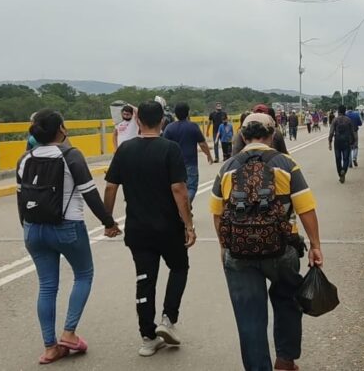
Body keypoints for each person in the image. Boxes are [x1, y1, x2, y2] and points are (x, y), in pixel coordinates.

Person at [210, 113, 323, 371]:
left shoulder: (227, 168)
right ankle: (284, 360)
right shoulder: (286, 164)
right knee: (288, 302)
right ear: (272, 135)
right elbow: (306, 208)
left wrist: (223, 246)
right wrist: (315, 245)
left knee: (249, 318)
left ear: (242, 136)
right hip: (282, 248)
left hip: (238, 254)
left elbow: (217, 214)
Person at [16, 109, 118, 364]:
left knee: (47, 286)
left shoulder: (24, 158)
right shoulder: (70, 156)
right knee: (84, 274)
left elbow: (20, 199)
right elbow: (89, 193)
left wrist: (27, 229)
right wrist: (109, 223)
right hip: (67, 227)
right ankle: (69, 333)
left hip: (33, 229)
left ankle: (50, 347)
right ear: (61, 128)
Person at [104, 101, 197, 357]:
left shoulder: (124, 150)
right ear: (162, 122)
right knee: (179, 267)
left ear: (138, 121)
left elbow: (111, 187)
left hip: (138, 229)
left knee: (145, 279)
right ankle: (168, 319)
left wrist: (108, 222)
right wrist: (188, 225)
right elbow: (179, 190)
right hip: (168, 228)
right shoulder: (170, 149)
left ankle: (147, 337)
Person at [163, 102, 213, 203]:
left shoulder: (169, 128)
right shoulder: (193, 126)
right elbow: (202, 144)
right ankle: (185, 206)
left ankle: (181, 208)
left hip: (173, 163)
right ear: (188, 113)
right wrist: (209, 155)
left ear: (175, 114)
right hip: (190, 163)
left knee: (175, 187)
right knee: (191, 187)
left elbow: (163, 146)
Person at [328, 105, 355, 184]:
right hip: (346, 141)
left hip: (337, 141)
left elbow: (331, 132)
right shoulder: (348, 120)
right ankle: (344, 170)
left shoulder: (335, 120)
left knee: (338, 159)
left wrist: (329, 142)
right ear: (345, 111)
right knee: (346, 158)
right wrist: (353, 141)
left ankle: (340, 174)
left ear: (338, 111)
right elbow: (352, 132)